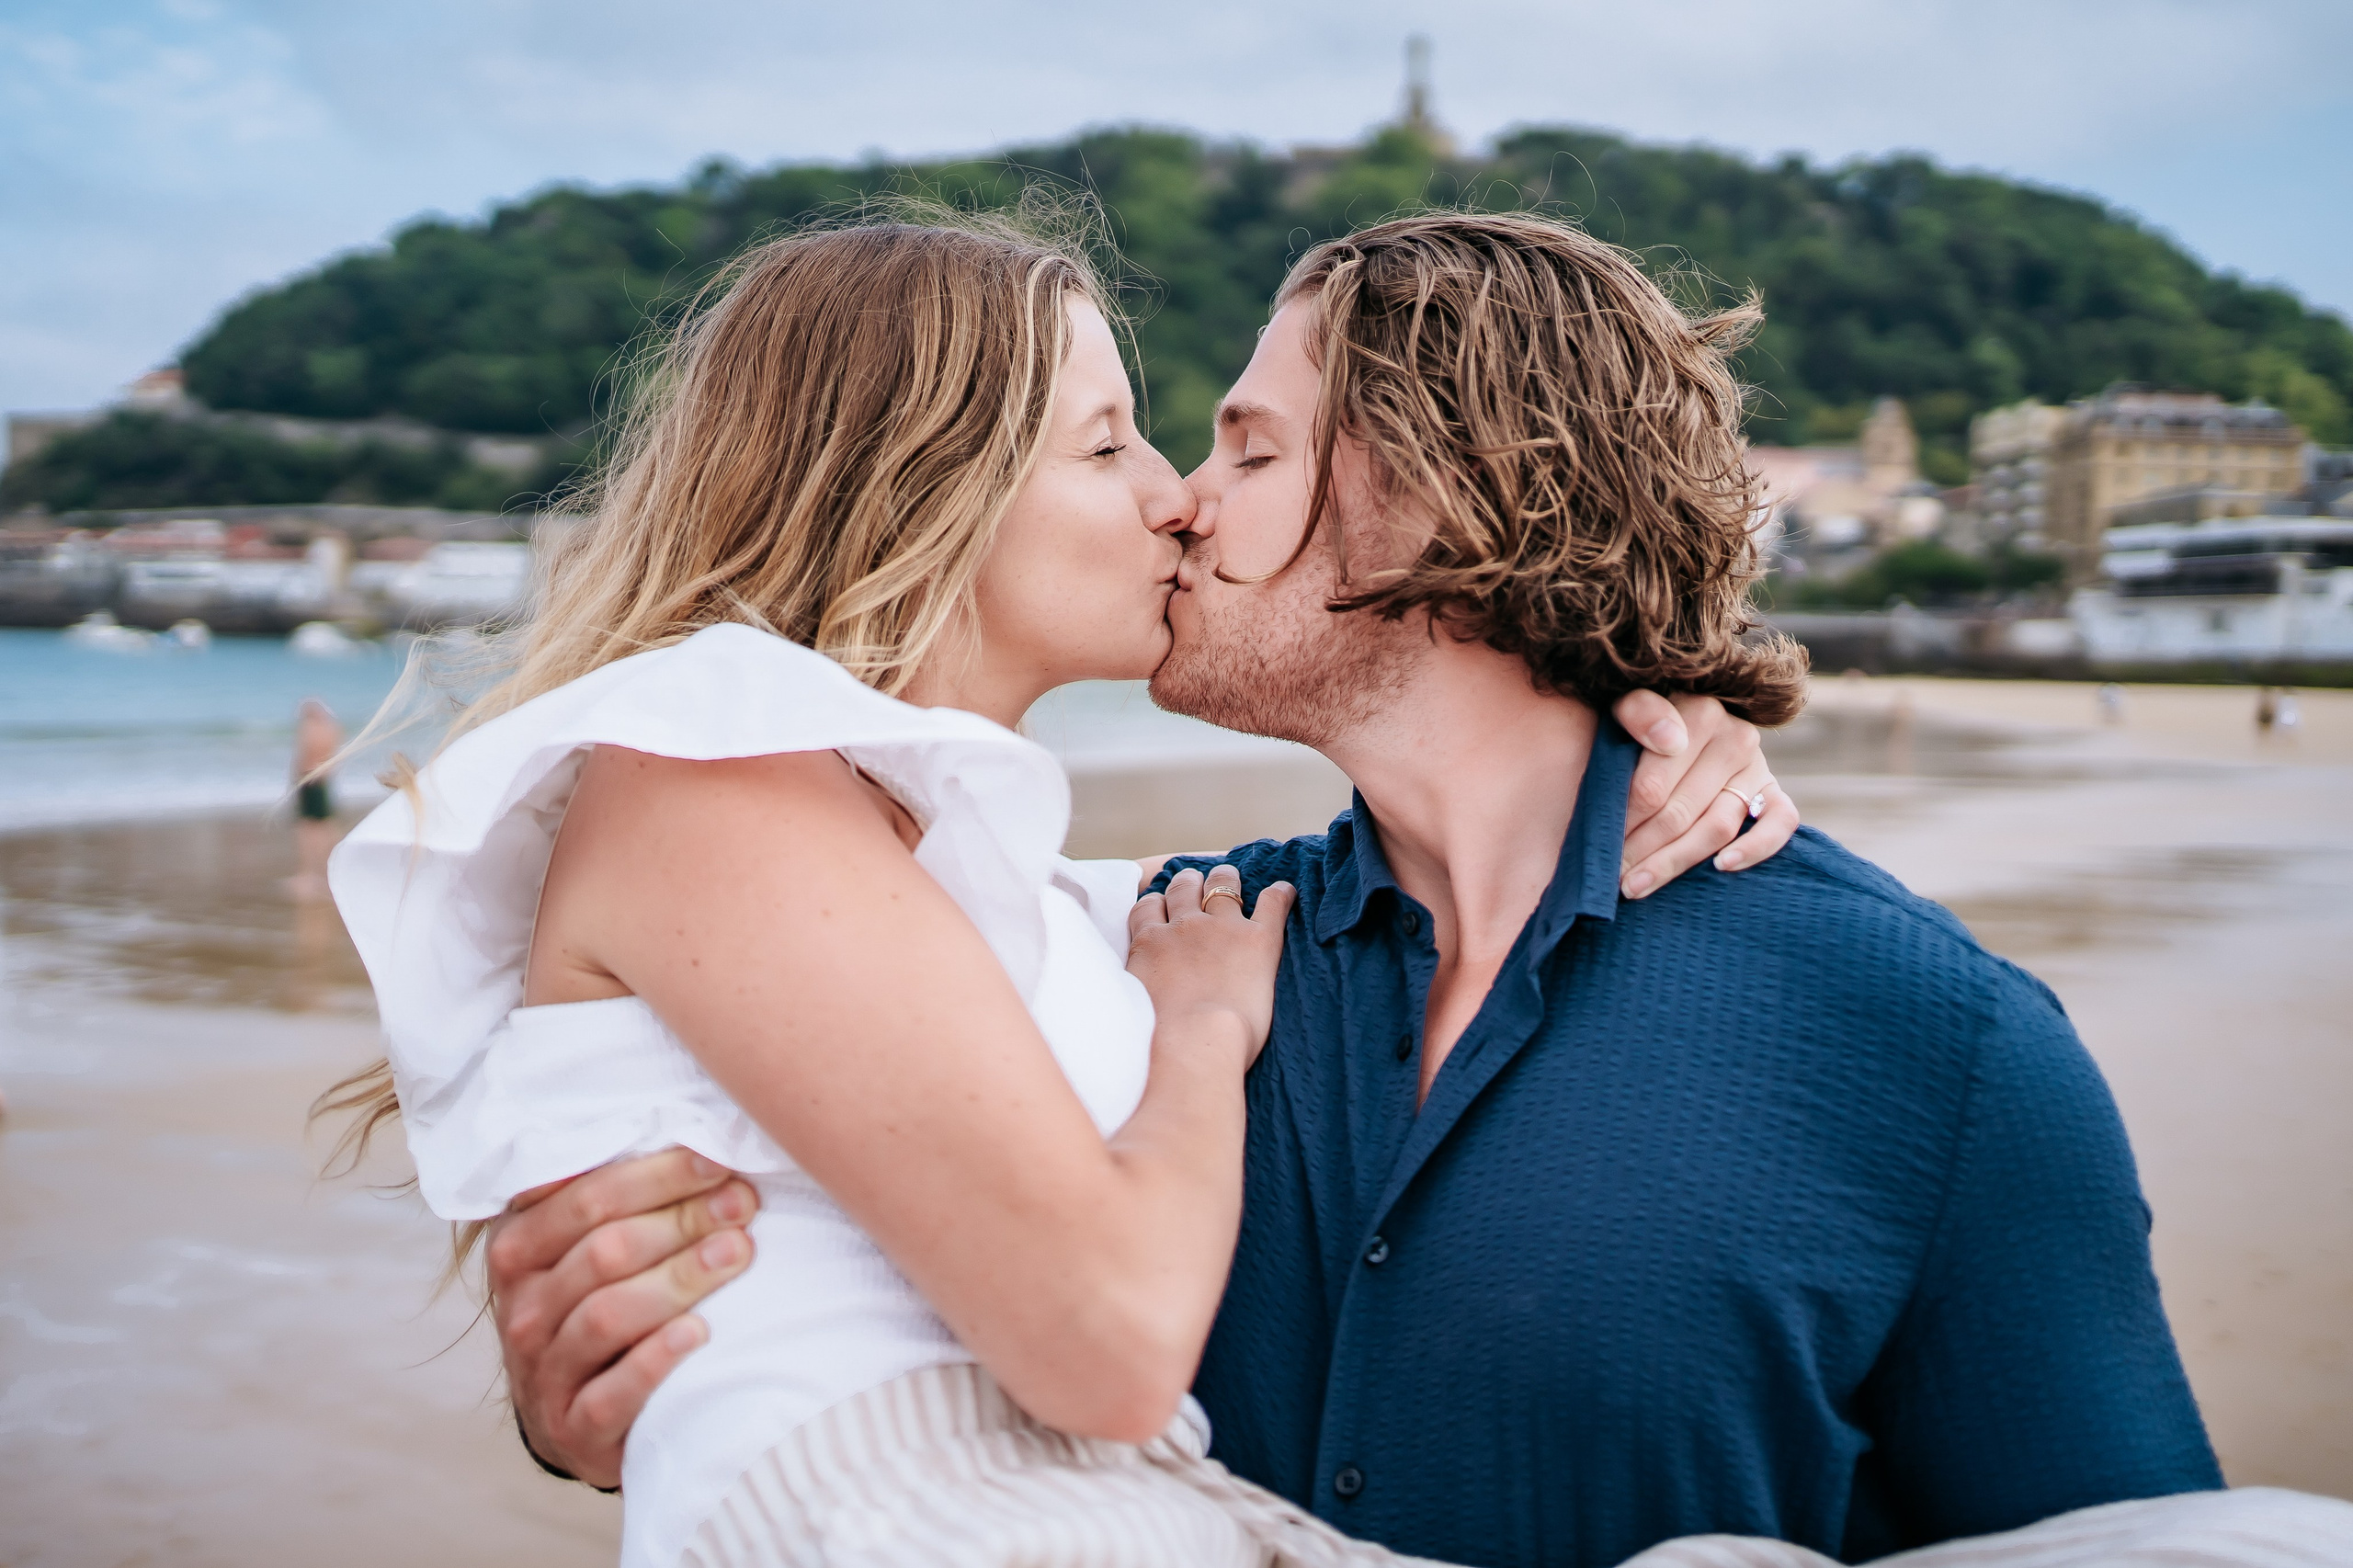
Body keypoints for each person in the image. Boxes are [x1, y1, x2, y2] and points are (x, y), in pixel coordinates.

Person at [498, 212, 2353, 1567]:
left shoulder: (1924, 1046)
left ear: (1451, 494)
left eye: (1242, 441)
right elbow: (809, 1185)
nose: (1184, 504)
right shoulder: (1146, 952)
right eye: (1153, 443)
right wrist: (615, 1382)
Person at [324, 213, 1794, 1568]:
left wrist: (1639, 725)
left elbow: (1350, 863)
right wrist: (1203, 1042)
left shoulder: (955, 873)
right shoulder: (711, 781)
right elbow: (1106, 1339)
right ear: (916, 490)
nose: (1173, 500)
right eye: (1107, 448)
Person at [288, 696, 343, 901]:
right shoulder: (332, 730)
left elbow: (303, 756)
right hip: (323, 779)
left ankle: (309, 874)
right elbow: (332, 758)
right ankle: (327, 870)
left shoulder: (310, 730)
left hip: (308, 779)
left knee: (308, 828)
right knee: (326, 825)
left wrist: (295, 780)